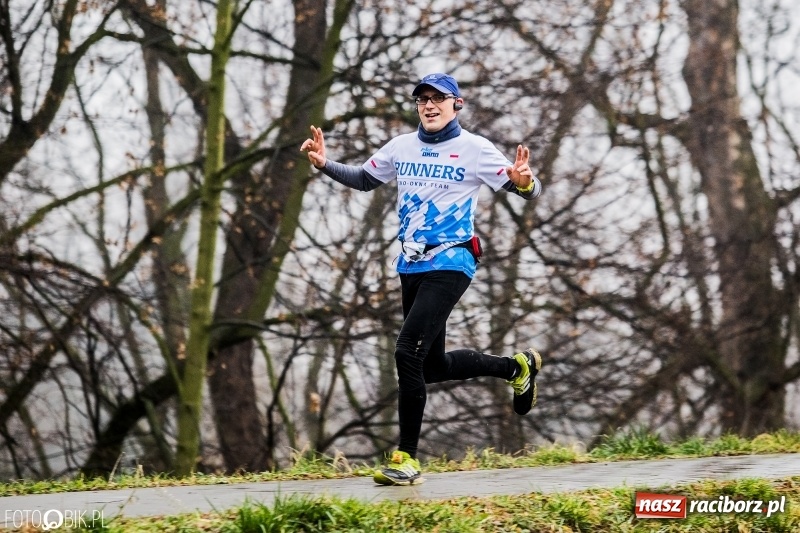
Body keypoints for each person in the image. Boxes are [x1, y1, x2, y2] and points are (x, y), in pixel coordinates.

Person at [300, 73, 542, 486]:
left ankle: (406, 459)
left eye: (438, 99)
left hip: (453, 261)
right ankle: (515, 368)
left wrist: (524, 182)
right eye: (422, 100)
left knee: (405, 353)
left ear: (456, 105)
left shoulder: (474, 149)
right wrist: (324, 165)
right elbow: (364, 179)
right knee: (431, 365)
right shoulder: (401, 147)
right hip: (411, 265)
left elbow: (527, 189)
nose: (429, 106)